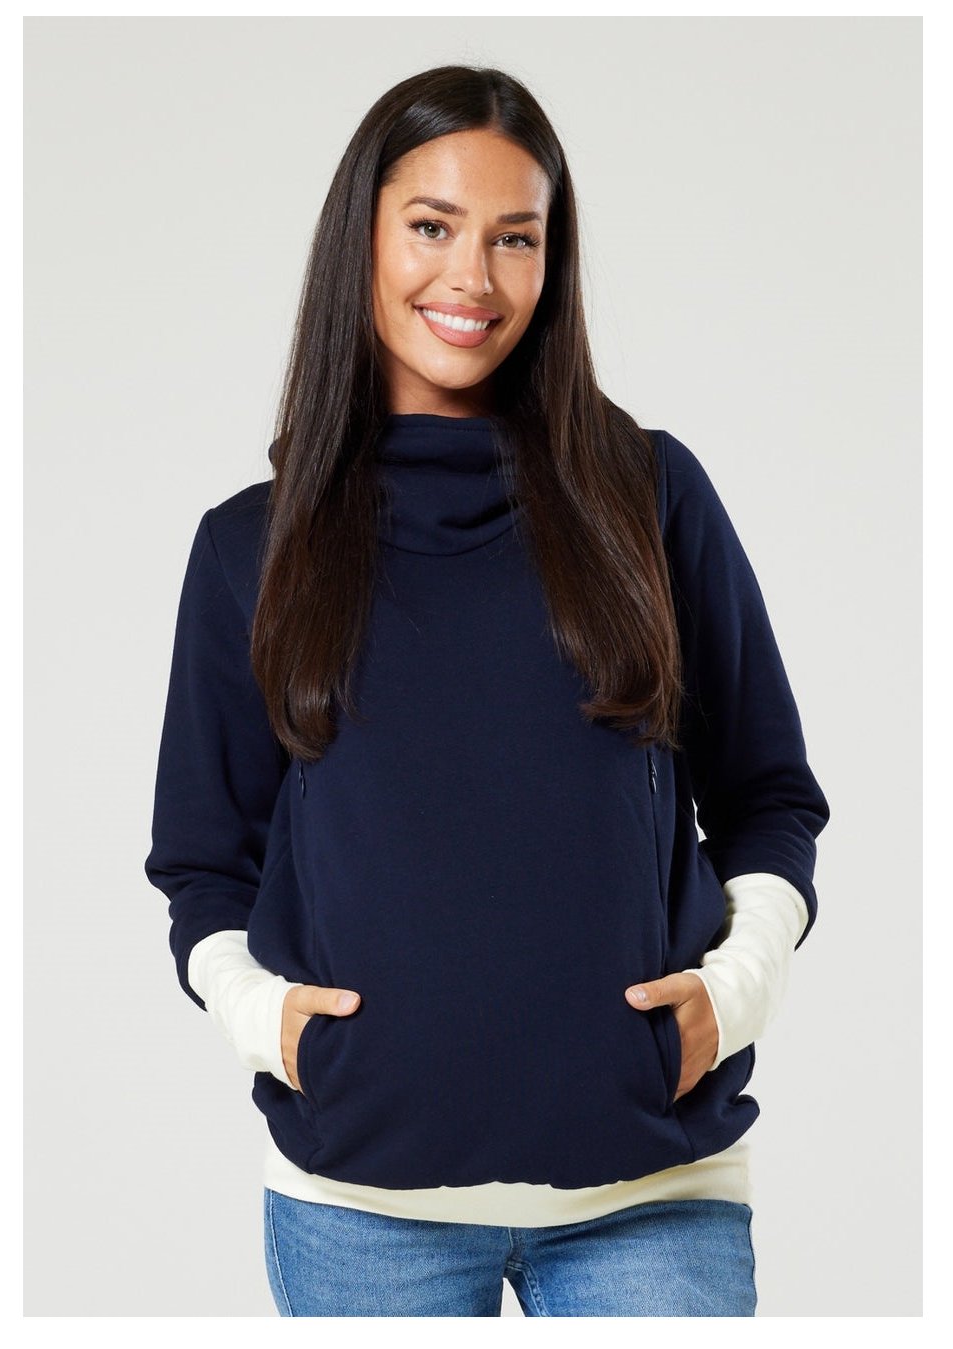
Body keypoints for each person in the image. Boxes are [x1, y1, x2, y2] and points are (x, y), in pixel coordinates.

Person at [144, 64, 830, 1318]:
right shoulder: (252, 548)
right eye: (431, 226)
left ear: (550, 265)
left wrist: (732, 998)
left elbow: (770, 797)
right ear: (361, 238)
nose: (472, 277)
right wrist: (270, 1022)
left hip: (651, 1197)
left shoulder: (651, 499)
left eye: (515, 238)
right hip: (359, 1214)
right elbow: (202, 861)